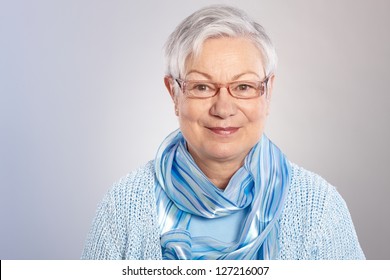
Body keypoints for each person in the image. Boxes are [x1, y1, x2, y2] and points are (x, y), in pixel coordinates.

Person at [81, 5, 365, 260]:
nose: (223, 108)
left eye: (243, 86)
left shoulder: (319, 208)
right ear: (174, 94)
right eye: (202, 87)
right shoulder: (123, 206)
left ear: (268, 93)